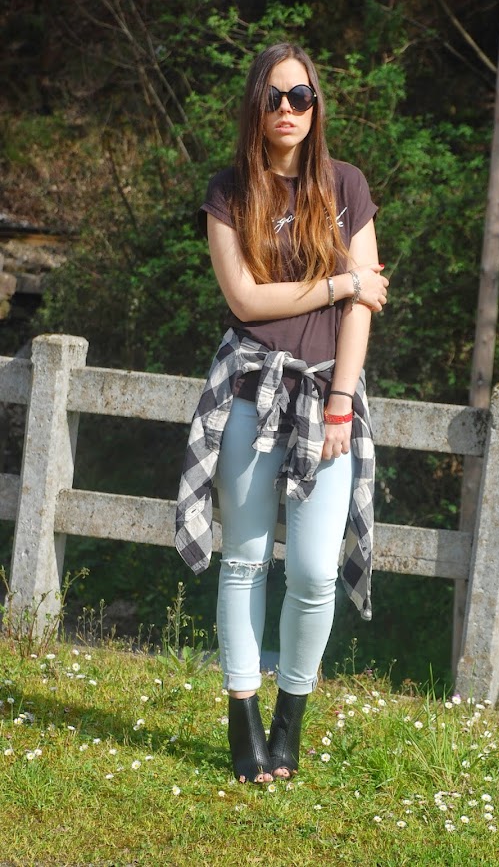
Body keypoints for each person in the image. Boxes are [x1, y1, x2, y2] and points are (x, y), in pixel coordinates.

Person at [175, 42, 388, 785]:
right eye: (274, 97)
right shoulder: (230, 192)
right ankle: (244, 721)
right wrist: (341, 281)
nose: (288, 109)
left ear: (316, 105)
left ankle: (289, 722)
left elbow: (365, 309)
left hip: (327, 398)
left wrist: (341, 403)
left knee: (314, 573)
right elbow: (246, 300)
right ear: (255, 107)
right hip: (249, 394)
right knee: (243, 562)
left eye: (301, 96)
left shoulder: (346, 185)